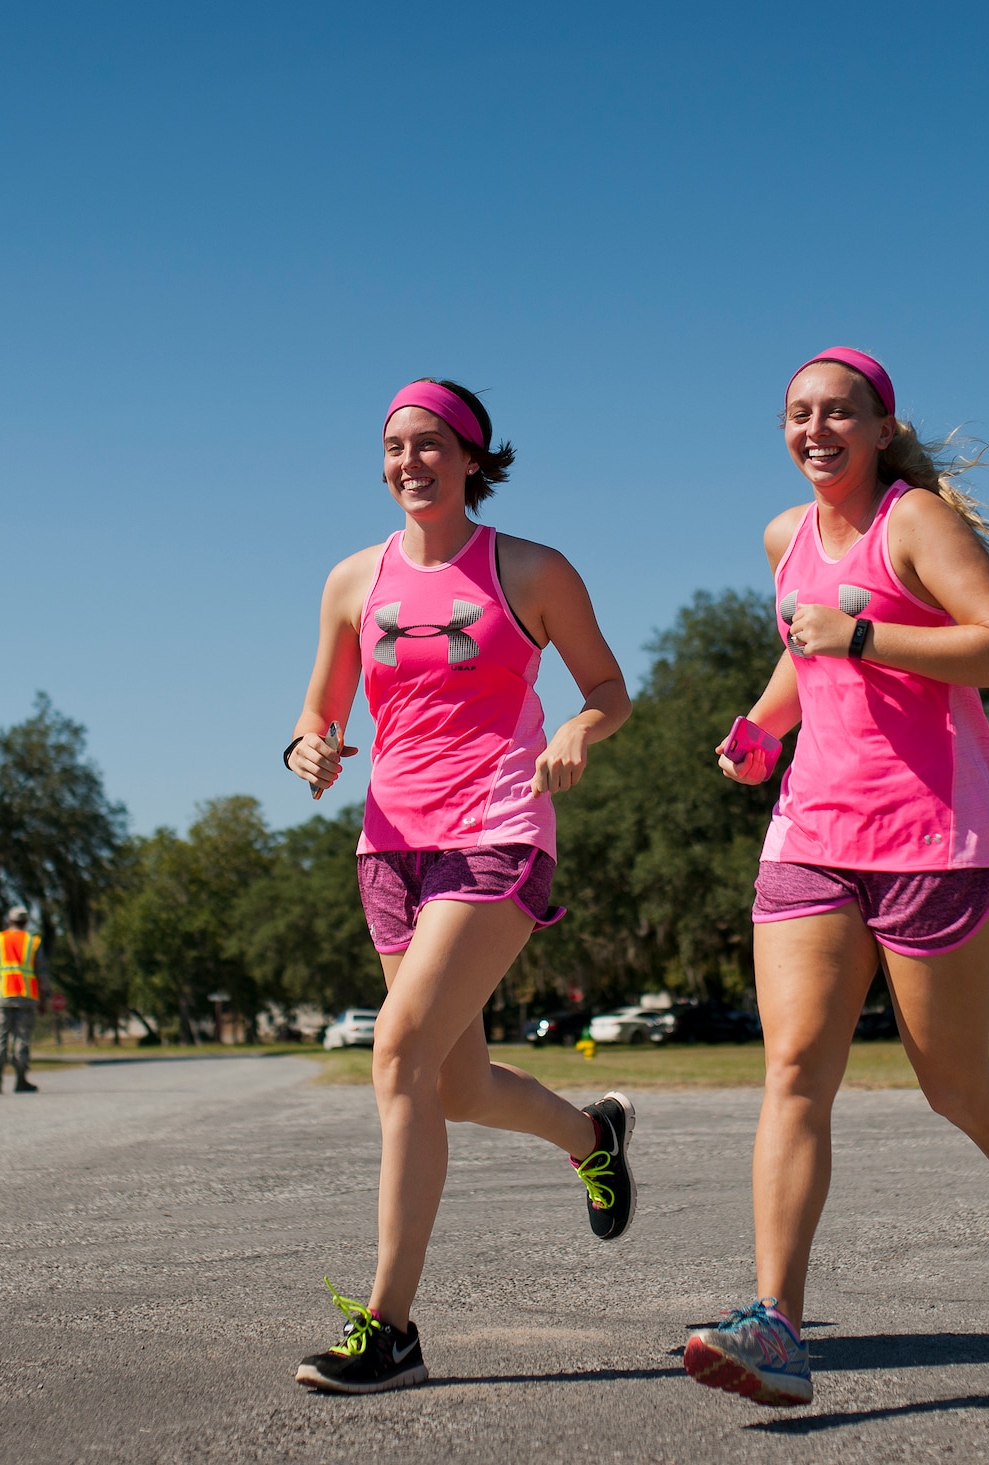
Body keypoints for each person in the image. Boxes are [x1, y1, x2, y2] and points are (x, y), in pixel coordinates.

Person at [683, 348, 989, 1408]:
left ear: (877, 426)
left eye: (836, 414)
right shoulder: (783, 537)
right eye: (796, 414)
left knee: (949, 1081)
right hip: (812, 832)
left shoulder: (911, 522)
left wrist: (865, 633)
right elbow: (800, 653)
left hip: (931, 835)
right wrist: (760, 729)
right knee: (793, 1071)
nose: (814, 429)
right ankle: (774, 1321)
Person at [285, 378, 636, 1395]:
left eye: (431, 443)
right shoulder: (352, 580)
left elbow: (606, 688)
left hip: (494, 832)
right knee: (452, 1082)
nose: (409, 461)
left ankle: (388, 1326)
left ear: (475, 458)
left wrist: (577, 726)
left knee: (394, 1051)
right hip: (388, 848)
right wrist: (308, 749)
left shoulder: (528, 569)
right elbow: (319, 709)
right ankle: (591, 1135)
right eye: (394, 445)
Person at [0, 906, 47, 1095]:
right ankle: (21, 1079)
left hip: (0, 997)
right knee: (22, 1040)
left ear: (9, 921)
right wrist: (44, 997)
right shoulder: (33, 942)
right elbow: (42, 972)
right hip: (26, 997)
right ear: (25, 923)